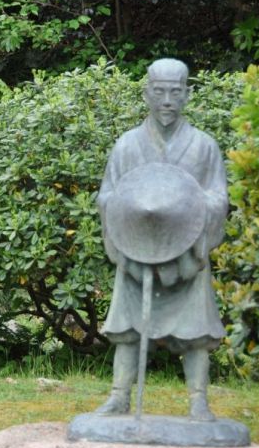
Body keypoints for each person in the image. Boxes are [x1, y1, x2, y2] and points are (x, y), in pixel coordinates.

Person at [96, 58, 229, 421]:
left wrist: (193, 208)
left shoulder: (203, 147)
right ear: (146, 94)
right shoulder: (127, 146)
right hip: (138, 251)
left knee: (196, 329)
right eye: (159, 92)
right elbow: (107, 195)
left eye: (175, 92)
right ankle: (119, 396)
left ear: (187, 94)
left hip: (187, 255)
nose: (167, 100)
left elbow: (219, 197)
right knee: (127, 325)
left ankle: (198, 400)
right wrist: (133, 210)